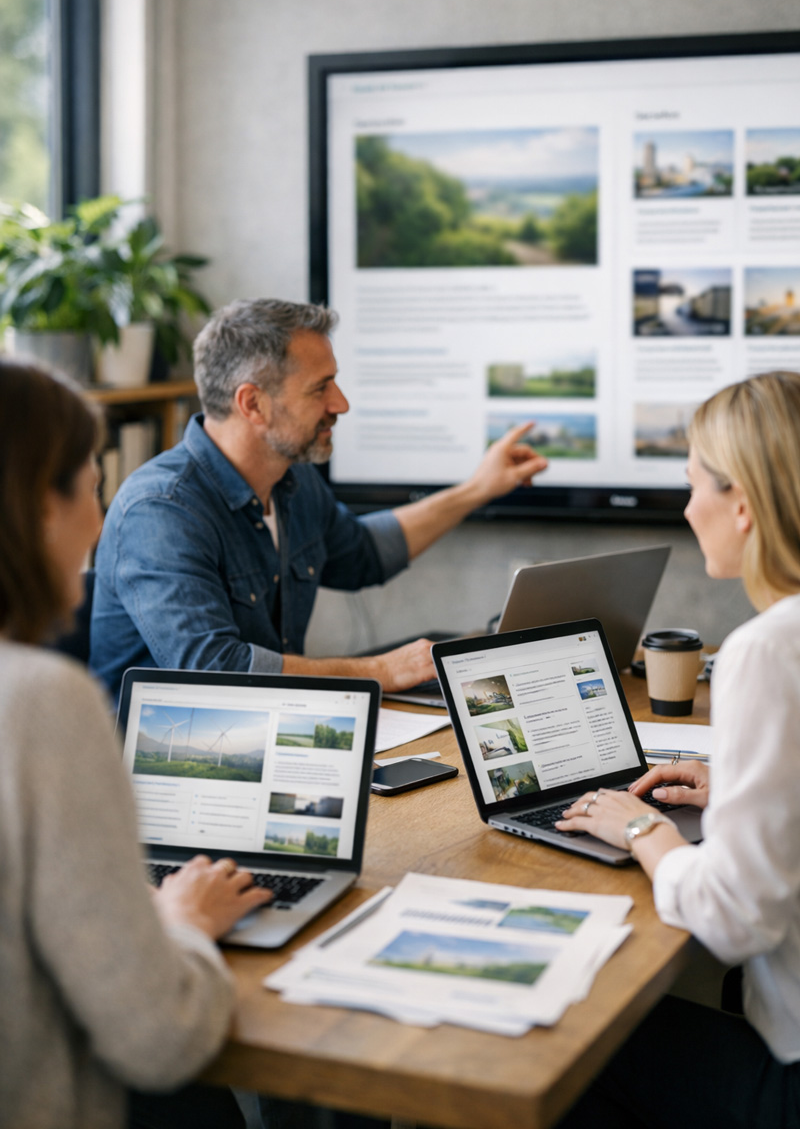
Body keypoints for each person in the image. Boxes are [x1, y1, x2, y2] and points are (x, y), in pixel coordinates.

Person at [0, 359, 272, 1129]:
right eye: (92, 488)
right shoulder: (39, 704)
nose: (101, 527)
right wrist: (182, 922)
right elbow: (157, 1034)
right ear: (36, 509)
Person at [555, 371, 800, 1129]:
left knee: (571, 1043)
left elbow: (733, 919)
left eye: (694, 483)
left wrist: (641, 828)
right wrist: (730, 781)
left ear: (745, 504)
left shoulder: (767, 651)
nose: (687, 507)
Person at [90, 298, 548, 700]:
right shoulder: (160, 509)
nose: (341, 403)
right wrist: (379, 671)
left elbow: (364, 554)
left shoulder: (294, 481)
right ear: (252, 404)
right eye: (320, 387)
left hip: (269, 732)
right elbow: (216, 670)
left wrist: (478, 489)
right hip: (161, 775)